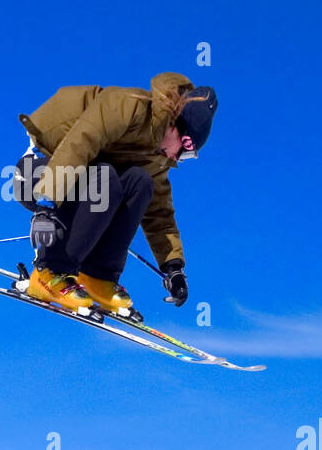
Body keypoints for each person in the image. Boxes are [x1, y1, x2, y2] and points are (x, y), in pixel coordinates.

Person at [13, 72, 217, 315]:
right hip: (38, 174)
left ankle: (97, 275)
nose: (177, 159)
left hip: (80, 183)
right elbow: (80, 142)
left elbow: (159, 214)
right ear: (176, 127)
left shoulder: (154, 157)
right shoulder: (130, 106)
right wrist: (46, 205)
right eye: (185, 151)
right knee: (106, 177)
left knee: (140, 182)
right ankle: (49, 272)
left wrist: (173, 268)